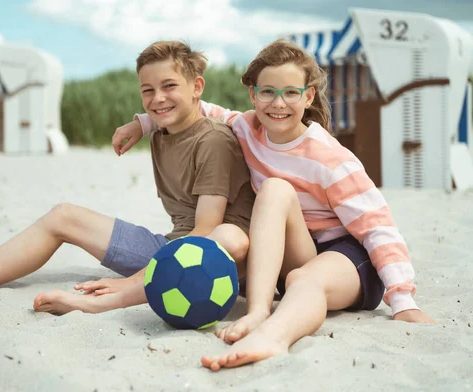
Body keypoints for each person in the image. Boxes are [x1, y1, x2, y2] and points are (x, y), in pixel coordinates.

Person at [112, 39, 435, 371]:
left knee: (298, 260)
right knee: (277, 202)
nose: (278, 103)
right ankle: (258, 309)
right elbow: (201, 110)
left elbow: (377, 226)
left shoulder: (331, 160)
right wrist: (143, 123)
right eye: (267, 92)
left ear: (308, 96)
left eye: (291, 93)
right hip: (295, 253)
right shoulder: (247, 128)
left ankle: (273, 336)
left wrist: (402, 299)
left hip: (347, 259)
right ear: (253, 95)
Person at [0, 41, 255, 316]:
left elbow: (204, 234)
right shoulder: (160, 129)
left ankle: (100, 303)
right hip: (169, 246)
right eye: (148, 90)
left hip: (214, 258)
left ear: (197, 87)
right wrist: (140, 123)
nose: (158, 98)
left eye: (170, 86)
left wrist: (128, 281)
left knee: (212, 240)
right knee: (62, 215)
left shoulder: (214, 141)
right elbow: (160, 116)